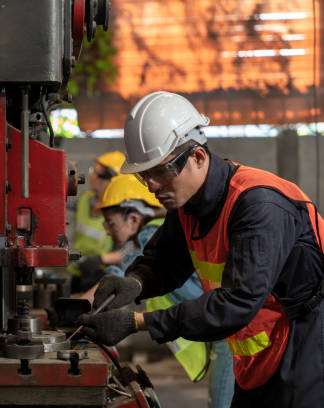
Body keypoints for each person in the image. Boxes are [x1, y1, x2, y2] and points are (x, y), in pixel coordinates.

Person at [78, 91, 324, 407]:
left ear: (197, 156)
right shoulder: (188, 206)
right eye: (144, 175)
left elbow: (236, 302)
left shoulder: (259, 206)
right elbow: (164, 261)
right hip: (259, 357)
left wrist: (139, 323)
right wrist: (134, 283)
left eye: (160, 171)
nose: (152, 186)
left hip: (306, 352)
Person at [83, 172, 235, 408]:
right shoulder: (151, 231)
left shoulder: (150, 233)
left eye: (110, 223)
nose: (107, 231)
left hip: (230, 333)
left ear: (133, 219)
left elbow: (123, 273)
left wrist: (79, 310)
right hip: (218, 327)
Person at [68, 152, 127, 291]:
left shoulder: (123, 210)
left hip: (104, 275)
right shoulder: (85, 199)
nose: (90, 176)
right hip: (79, 271)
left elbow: (133, 249)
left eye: (94, 172)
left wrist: (101, 259)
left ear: (108, 180)